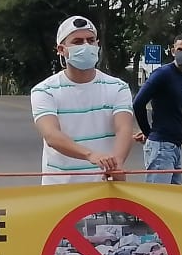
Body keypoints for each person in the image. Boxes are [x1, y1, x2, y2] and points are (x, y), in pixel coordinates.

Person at [31, 15, 135, 183]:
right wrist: (90, 155)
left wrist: (117, 164)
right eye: (78, 42)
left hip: (103, 186)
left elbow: (124, 129)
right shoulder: (44, 90)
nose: (86, 46)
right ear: (61, 49)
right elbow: (51, 135)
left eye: (91, 40)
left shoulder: (118, 87)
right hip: (60, 189)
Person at [133, 32, 182, 184]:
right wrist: (148, 132)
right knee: (158, 198)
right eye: (180, 49)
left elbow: (178, 111)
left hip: (175, 145)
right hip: (161, 147)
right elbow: (138, 103)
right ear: (172, 51)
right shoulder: (162, 74)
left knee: (172, 199)